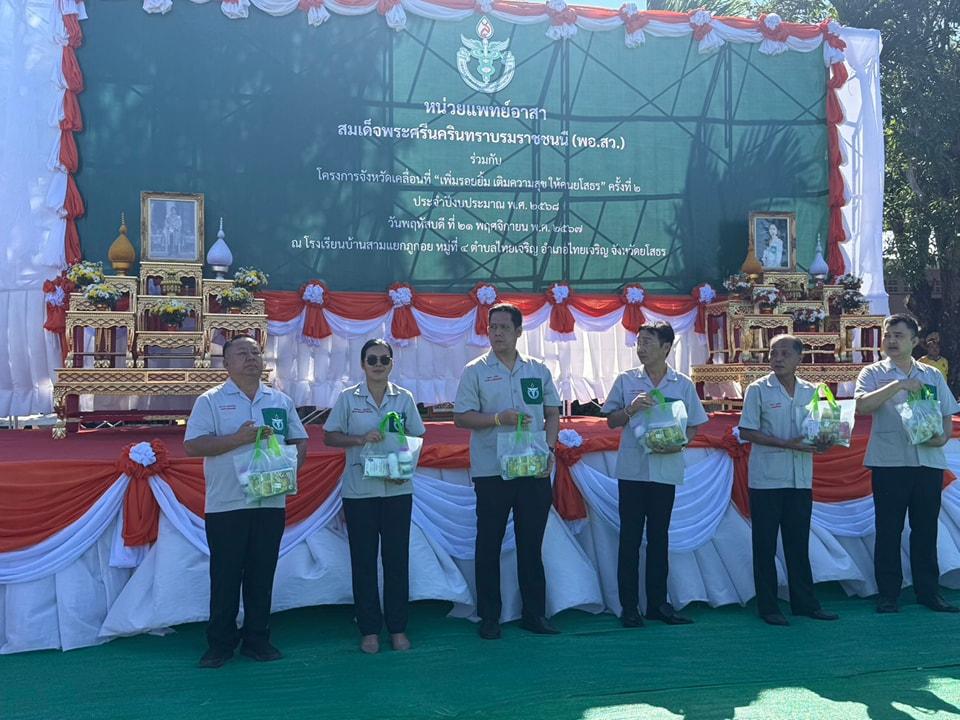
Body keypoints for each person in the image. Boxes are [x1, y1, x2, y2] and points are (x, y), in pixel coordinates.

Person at [184, 335, 308, 668]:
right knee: (225, 575)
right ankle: (220, 643)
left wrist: (288, 470)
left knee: (262, 573)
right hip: (227, 503)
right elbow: (193, 445)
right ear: (226, 363)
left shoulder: (279, 400)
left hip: (270, 502)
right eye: (241, 353)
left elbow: (299, 440)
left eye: (255, 352)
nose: (251, 357)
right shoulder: (210, 401)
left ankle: (257, 639)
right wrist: (237, 439)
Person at [453, 302, 561, 640]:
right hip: (491, 470)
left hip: (533, 468)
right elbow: (461, 417)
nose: (497, 333)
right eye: (492, 327)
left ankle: (534, 614)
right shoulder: (475, 370)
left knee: (532, 543)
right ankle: (489, 616)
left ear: (518, 331)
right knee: (489, 543)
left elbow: (552, 413)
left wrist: (551, 449)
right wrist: (498, 419)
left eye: (503, 327)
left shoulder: (537, 369)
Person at [602, 321, 708, 627]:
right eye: (639, 342)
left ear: (666, 347)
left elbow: (695, 424)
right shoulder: (626, 380)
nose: (641, 348)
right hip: (633, 470)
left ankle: (658, 604)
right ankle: (629, 607)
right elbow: (610, 420)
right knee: (630, 538)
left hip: (666, 468)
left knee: (659, 537)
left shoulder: (682, 384)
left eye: (648, 342)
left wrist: (680, 443)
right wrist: (631, 409)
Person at [324, 339, 425, 654]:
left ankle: (397, 628)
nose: (378, 365)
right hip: (360, 491)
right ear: (362, 364)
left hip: (397, 488)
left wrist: (405, 466)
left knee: (397, 560)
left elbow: (417, 436)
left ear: (392, 363)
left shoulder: (404, 398)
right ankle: (369, 629)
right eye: (372, 360)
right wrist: (359, 439)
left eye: (384, 359)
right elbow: (329, 436)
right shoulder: (348, 398)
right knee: (364, 561)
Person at [855, 314, 960, 613]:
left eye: (899, 336)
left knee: (925, 529)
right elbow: (862, 406)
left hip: (928, 462)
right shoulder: (872, 373)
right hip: (889, 463)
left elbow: (947, 413)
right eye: (888, 335)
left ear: (915, 341)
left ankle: (928, 592)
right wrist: (899, 385)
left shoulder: (932, 374)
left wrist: (942, 438)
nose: (891, 340)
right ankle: (888, 594)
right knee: (888, 530)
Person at [738, 335, 840, 626]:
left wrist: (825, 441)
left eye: (785, 353)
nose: (778, 359)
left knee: (798, 544)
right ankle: (768, 607)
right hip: (767, 480)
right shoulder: (758, 389)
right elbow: (746, 431)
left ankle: (805, 603)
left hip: (800, 479)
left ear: (799, 358)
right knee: (765, 546)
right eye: (773, 353)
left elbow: (821, 428)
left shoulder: (813, 390)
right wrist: (785, 443)